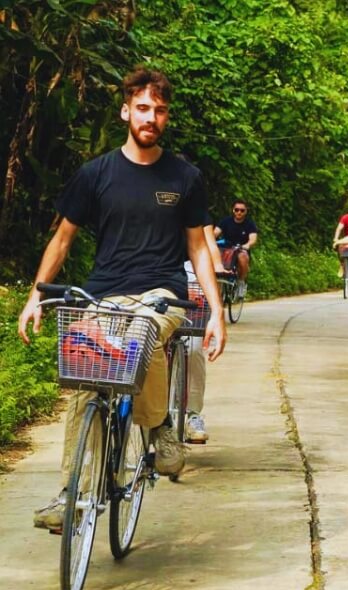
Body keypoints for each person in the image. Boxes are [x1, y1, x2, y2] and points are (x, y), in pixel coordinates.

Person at [18, 67, 226, 530]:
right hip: (103, 293)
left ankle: (157, 425)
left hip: (162, 293)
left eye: (160, 110)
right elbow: (62, 239)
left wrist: (214, 311)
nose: (151, 117)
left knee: (141, 338)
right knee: (85, 372)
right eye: (143, 108)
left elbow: (197, 247)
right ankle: (71, 494)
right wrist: (34, 296)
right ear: (126, 111)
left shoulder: (185, 177)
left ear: (166, 117)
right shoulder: (95, 174)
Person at [184, 214, 227, 443]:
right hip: (153, 278)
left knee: (193, 349)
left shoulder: (193, 205)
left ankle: (193, 414)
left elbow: (207, 244)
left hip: (192, 279)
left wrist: (217, 268)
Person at [215, 199, 257, 296]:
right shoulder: (225, 221)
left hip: (240, 249)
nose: (239, 212)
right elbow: (215, 233)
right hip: (226, 249)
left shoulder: (250, 224)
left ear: (246, 211)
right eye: (237, 210)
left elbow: (253, 239)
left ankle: (241, 282)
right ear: (233, 210)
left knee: (243, 257)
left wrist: (247, 245)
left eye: (242, 210)